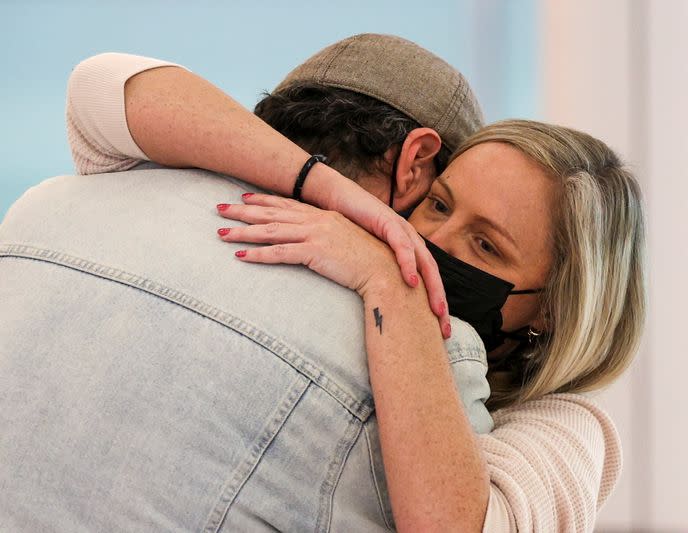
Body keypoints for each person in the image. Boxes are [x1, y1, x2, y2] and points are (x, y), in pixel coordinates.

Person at [52, 45, 643, 531]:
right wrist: (324, 189)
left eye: (486, 245)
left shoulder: (565, 431)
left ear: (556, 310)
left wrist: (389, 278)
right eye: (437, 205)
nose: (432, 238)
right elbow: (101, 87)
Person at [0, 35, 493, 532]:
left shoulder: (51, 203)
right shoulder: (426, 350)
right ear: (415, 162)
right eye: (440, 205)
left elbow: (100, 83)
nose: (441, 242)